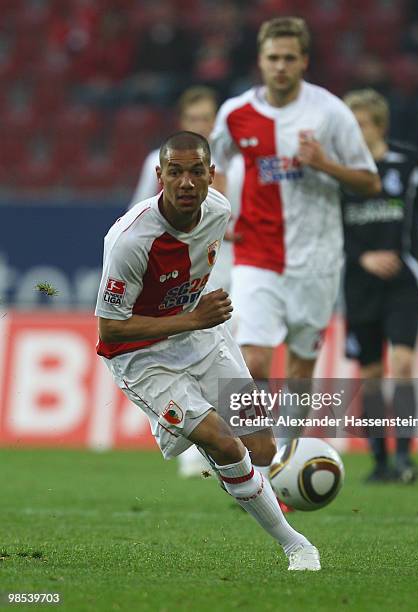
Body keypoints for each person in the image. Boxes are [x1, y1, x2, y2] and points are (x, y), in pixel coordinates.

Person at [95, 131, 321, 571]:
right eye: (175, 172)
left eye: (196, 171)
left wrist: (194, 319)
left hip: (203, 338)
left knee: (261, 448)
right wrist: (192, 318)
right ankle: (297, 546)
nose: (185, 182)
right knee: (222, 441)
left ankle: (210, 452)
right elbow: (110, 328)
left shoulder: (219, 210)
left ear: (211, 175)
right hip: (143, 357)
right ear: (159, 176)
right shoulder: (128, 240)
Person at [210, 17, 380, 462]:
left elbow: (368, 181)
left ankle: (284, 461)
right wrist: (222, 202)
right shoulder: (236, 113)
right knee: (253, 364)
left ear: (304, 61)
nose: (280, 67)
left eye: (289, 58)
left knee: (301, 368)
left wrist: (325, 164)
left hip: (317, 259)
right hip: (256, 253)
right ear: (260, 61)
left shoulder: (330, 113)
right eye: (273, 58)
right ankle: (252, 462)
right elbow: (217, 161)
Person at [341, 88, 418, 483]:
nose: (353, 131)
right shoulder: (340, 172)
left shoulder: (406, 163)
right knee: (372, 373)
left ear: (379, 125)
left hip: (402, 282)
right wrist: (363, 257)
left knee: (405, 364)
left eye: (359, 124)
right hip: (359, 284)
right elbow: (328, 226)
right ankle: (379, 461)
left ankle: (405, 457)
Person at [129, 86, 243, 477]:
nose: (201, 126)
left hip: (227, 267)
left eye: (207, 119)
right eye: (193, 119)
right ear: (183, 123)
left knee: (229, 351)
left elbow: (241, 216)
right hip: (177, 276)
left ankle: (233, 442)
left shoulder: (236, 165)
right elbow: (139, 213)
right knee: (184, 348)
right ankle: (198, 449)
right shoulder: (157, 164)